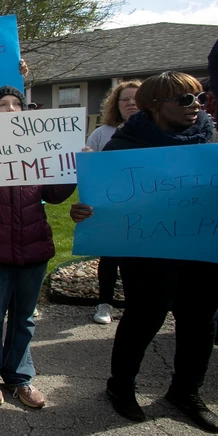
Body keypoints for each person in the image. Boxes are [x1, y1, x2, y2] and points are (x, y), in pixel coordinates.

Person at [70, 72, 218, 433]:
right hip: (149, 250)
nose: (196, 108)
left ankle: (186, 392)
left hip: (204, 246)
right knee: (144, 317)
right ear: (156, 106)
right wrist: (84, 211)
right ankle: (120, 386)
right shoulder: (125, 145)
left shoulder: (212, 139)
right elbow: (101, 201)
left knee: (201, 322)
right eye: (186, 100)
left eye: (200, 98)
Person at [0, 86, 76, 409]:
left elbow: (53, 192)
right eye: (3, 105)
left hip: (33, 246)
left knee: (24, 318)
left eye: (16, 104)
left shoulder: (38, 148)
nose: (11, 109)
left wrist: (74, 167)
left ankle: (19, 377)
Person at [86, 80, 142, 325]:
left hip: (144, 204)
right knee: (109, 256)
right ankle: (104, 303)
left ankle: (137, 306)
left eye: (136, 99)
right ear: (115, 104)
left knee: (139, 259)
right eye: (125, 99)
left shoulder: (154, 131)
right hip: (109, 204)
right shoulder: (102, 133)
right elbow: (89, 171)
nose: (131, 103)